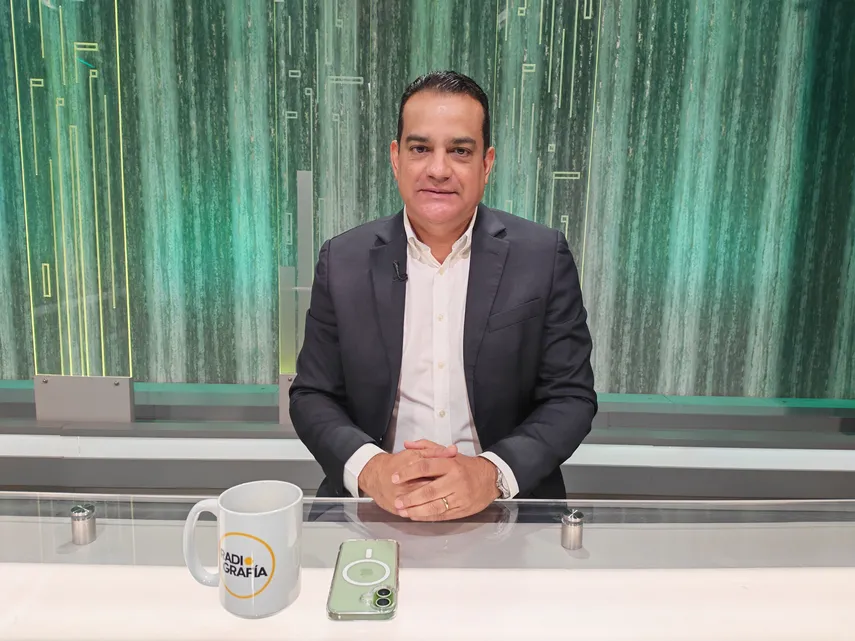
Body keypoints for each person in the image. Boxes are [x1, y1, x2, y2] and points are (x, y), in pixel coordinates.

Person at [290, 70, 597, 521]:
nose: (438, 169)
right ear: (396, 158)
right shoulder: (343, 260)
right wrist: (370, 468)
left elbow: (571, 397)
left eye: (460, 151)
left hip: (506, 507)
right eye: (420, 149)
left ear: (486, 164)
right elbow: (312, 395)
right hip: (374, 508)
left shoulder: (542, 256)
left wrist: (491, 475)